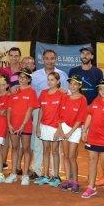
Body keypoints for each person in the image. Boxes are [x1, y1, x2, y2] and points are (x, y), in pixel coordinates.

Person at [31, 49, 68, 178]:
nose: (49, 60)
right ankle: (37, 170)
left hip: (56, 115)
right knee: (39, 142)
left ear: (55, 59)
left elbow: (65, 94)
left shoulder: (62, 74)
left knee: (55, 147)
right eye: (46, 58)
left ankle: (55, 173)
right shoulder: (35, 75)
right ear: (43, 59)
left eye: (52, 58)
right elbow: (32, 93)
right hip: (40, 110)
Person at [5, 68, 39, 185]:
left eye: (25, 78)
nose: (22, 80)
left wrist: (23, 125)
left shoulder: (31, 92)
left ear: (29, 79)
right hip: (13, 126)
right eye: (20, 77)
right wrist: (9, 124)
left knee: (26, 149)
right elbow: (9, 109)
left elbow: (29, 110)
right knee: (14, 148)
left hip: (25, 126)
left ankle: (25, 175)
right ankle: (13, 173)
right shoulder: (14, 92)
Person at [56, 75, 87, 193]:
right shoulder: (65, 97)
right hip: (64, 128)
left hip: (75, 130)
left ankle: (75, 181)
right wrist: (61, 129)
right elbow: (60, 115)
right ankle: (68, 180)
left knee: (72, 156)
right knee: (66, 155)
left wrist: (70, 132)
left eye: (75, 84)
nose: (72, 86)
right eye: (71, 83)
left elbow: (80, 118)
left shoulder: (82, 99)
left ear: (79, 86)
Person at [34, 72, 65, 187]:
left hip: (55, 127)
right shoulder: (43, 93)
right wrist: (38, 126)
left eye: (52, 80)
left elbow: (63, 112)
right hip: (44, 126)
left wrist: (60, 129)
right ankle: (46, 175)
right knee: (45, 150)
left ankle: (56, 176)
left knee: (55, 151)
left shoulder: (62, 94)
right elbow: (41, 110)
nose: (50, 82)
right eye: (49, 79)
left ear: (57, 81)